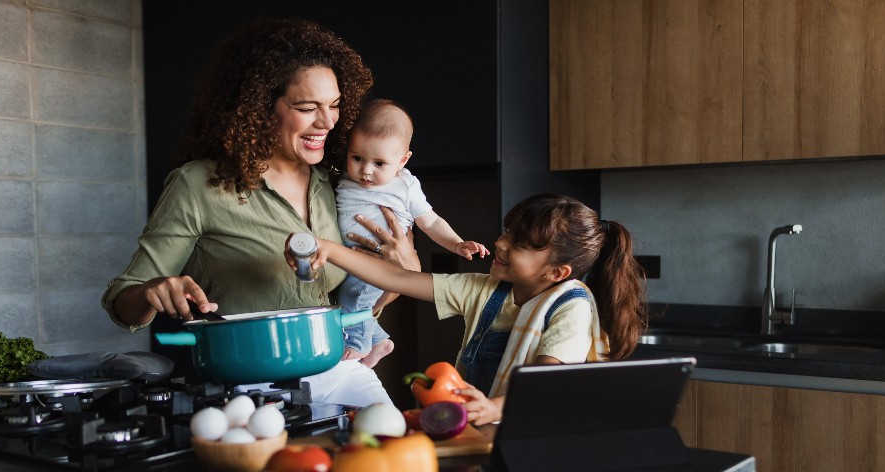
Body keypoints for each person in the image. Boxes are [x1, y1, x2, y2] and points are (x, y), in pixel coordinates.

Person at [101, 17, 420, 408]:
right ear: (260, 106)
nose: (329, 122)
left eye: (335, 105)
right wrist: (152, 291)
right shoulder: (199, 185)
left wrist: (404, 272)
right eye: (307, 108)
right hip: (251, 392)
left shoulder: (340, 182)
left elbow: (366, 294)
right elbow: (122, 303)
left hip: (341, 371)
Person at [287, 193, 649, 425]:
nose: (500, 243)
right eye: (506, 231)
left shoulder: (571, 307)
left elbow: (545, 386)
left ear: (557, 272)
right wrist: (329, 250)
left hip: (538, 438)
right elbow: (397, 278)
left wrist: (495, 409)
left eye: (519, 243)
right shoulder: (484, 291)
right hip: (481, 431)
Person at [336, 99, 489, 368]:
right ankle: (379, 341)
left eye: (379, 163)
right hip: (352, 258)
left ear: (403, 160)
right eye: (357, 157)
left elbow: (430, 222)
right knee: (351, 301)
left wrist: (456, 244)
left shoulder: (404, 187)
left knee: (354, 298)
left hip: (377, 262)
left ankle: (356, 345)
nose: (365, 170)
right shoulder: (345, 178)